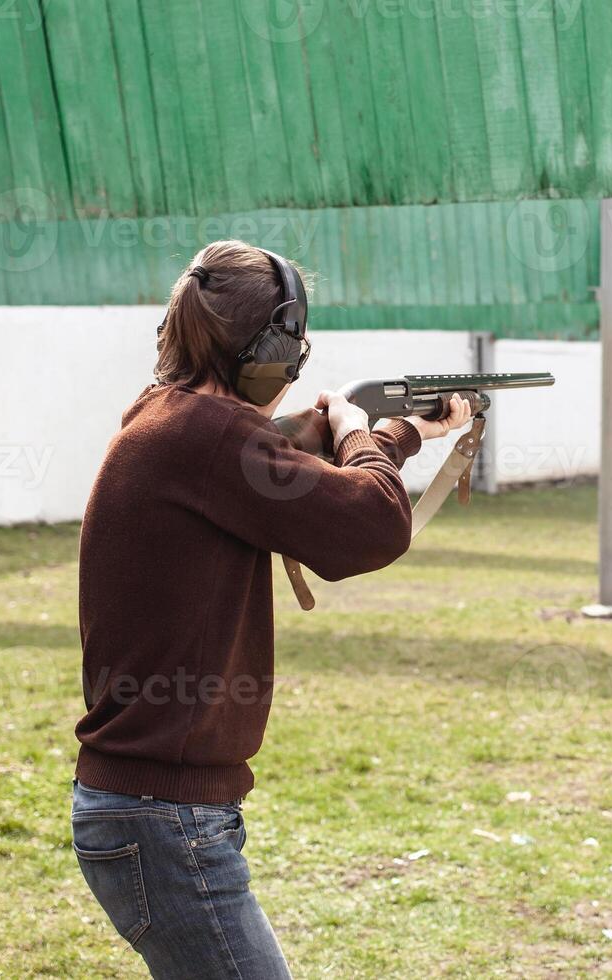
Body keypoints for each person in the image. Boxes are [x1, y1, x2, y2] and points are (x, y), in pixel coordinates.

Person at [69, 240, 471, 979]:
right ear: (273, 353)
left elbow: (298, 493)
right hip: (164, 816)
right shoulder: (211, 436)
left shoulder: (167, 417)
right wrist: (373, 431)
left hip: (151, 808)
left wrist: (367, 436)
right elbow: (373, 527)